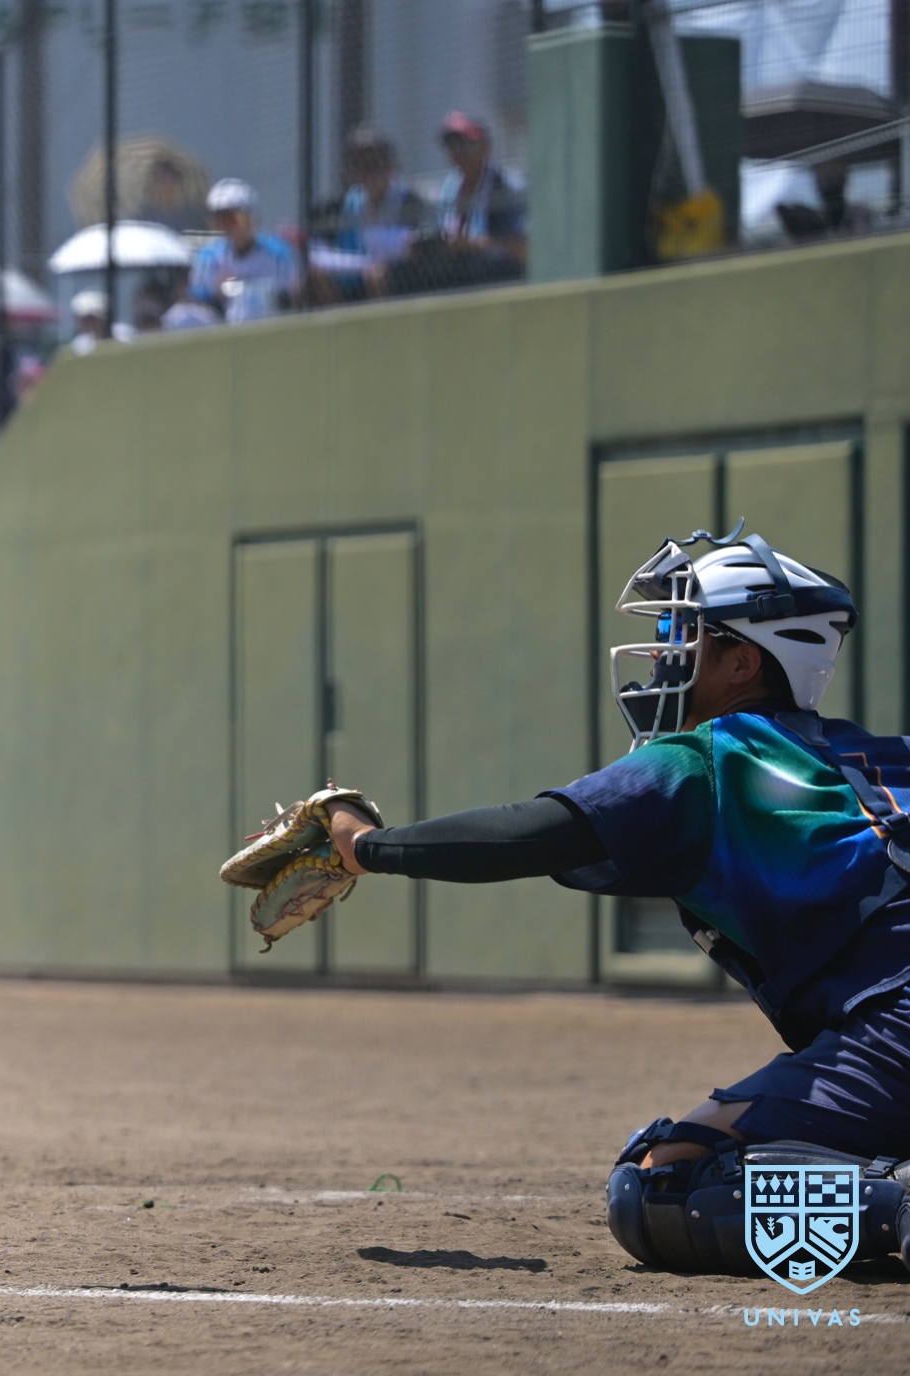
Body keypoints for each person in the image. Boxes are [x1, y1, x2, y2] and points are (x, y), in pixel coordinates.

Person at [313, 528, 910, 1278]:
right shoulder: (888, 755)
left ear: (742, 663)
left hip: (898, 1027)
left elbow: (528, 835)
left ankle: (896, 1206)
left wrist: (366, 845)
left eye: (683, 634)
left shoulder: (709, 759)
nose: (663, 655)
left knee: (665, 1183)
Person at [316, 126, 427, 302]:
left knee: (376, 275)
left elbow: (419, 245)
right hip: (357, 268)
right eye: (358, 165)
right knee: (316, 275)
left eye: (373, 165)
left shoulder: (409, 201)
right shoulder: (345, 205)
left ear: (391, 166)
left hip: (398, 273)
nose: (366, 173)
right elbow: (324, 250)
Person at [184, 179, 298, 321]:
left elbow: (292, 295)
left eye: (234, 219)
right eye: (220, 220)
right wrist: (215, 289)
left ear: (252, 218)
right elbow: (196, 296)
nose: (227, 226)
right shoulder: (209, 256)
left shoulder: (277, 253)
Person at [433, 111, 526, 282]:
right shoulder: (449, 189)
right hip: (462, 273)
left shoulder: (507, 186)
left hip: (506, 277)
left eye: (464, 144)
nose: (458, 153)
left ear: (486, 146)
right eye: (451, 146)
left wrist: (470, 244)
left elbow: (523, 248)